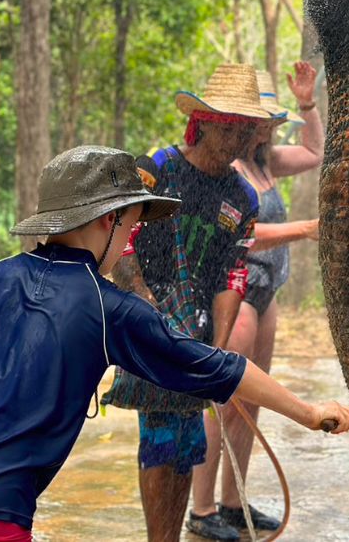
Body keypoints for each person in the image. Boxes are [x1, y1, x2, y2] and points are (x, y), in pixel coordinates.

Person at [0, 145, 349, 541]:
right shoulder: (110, 309)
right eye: (132, 225)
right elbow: (222, 368)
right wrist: (309, 412)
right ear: (105, 221)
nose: (130, 240)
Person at [110, 63, 277, 541]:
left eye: (246, 129)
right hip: (144, 320)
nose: (238, 140)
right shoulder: (156, 170)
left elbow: (233, 271)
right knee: (161, 437)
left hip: (198, 329)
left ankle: (171, 534)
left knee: (186, 442)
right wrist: (142, 303)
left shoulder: (242, 198)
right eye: (228, 126)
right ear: (203, 122)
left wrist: (218, 348)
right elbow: (118, 235)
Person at [188, 62, 324, 536]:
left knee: (252, 401)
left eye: (271, 120)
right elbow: (244, 235)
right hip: (236, 292)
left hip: (268, 292)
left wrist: (308, 103)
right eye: (260, 120)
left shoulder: (267, 162)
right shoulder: (225, 166)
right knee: (224, 399)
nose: (267, 127)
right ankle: (201, 509)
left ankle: (232, 501)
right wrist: (305, 229)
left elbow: (315, 151)